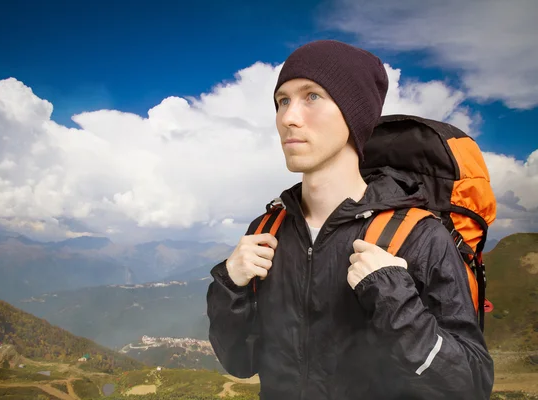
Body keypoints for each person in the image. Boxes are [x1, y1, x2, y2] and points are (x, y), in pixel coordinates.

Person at [206, 40, 494, 399]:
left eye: (312, 96)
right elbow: (239, 361)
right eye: (283, 100)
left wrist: (394, 299)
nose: (288, 118)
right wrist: (230, 285)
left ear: (353, 114)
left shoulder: (419, 235)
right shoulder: (267, 232)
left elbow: (470, 386)